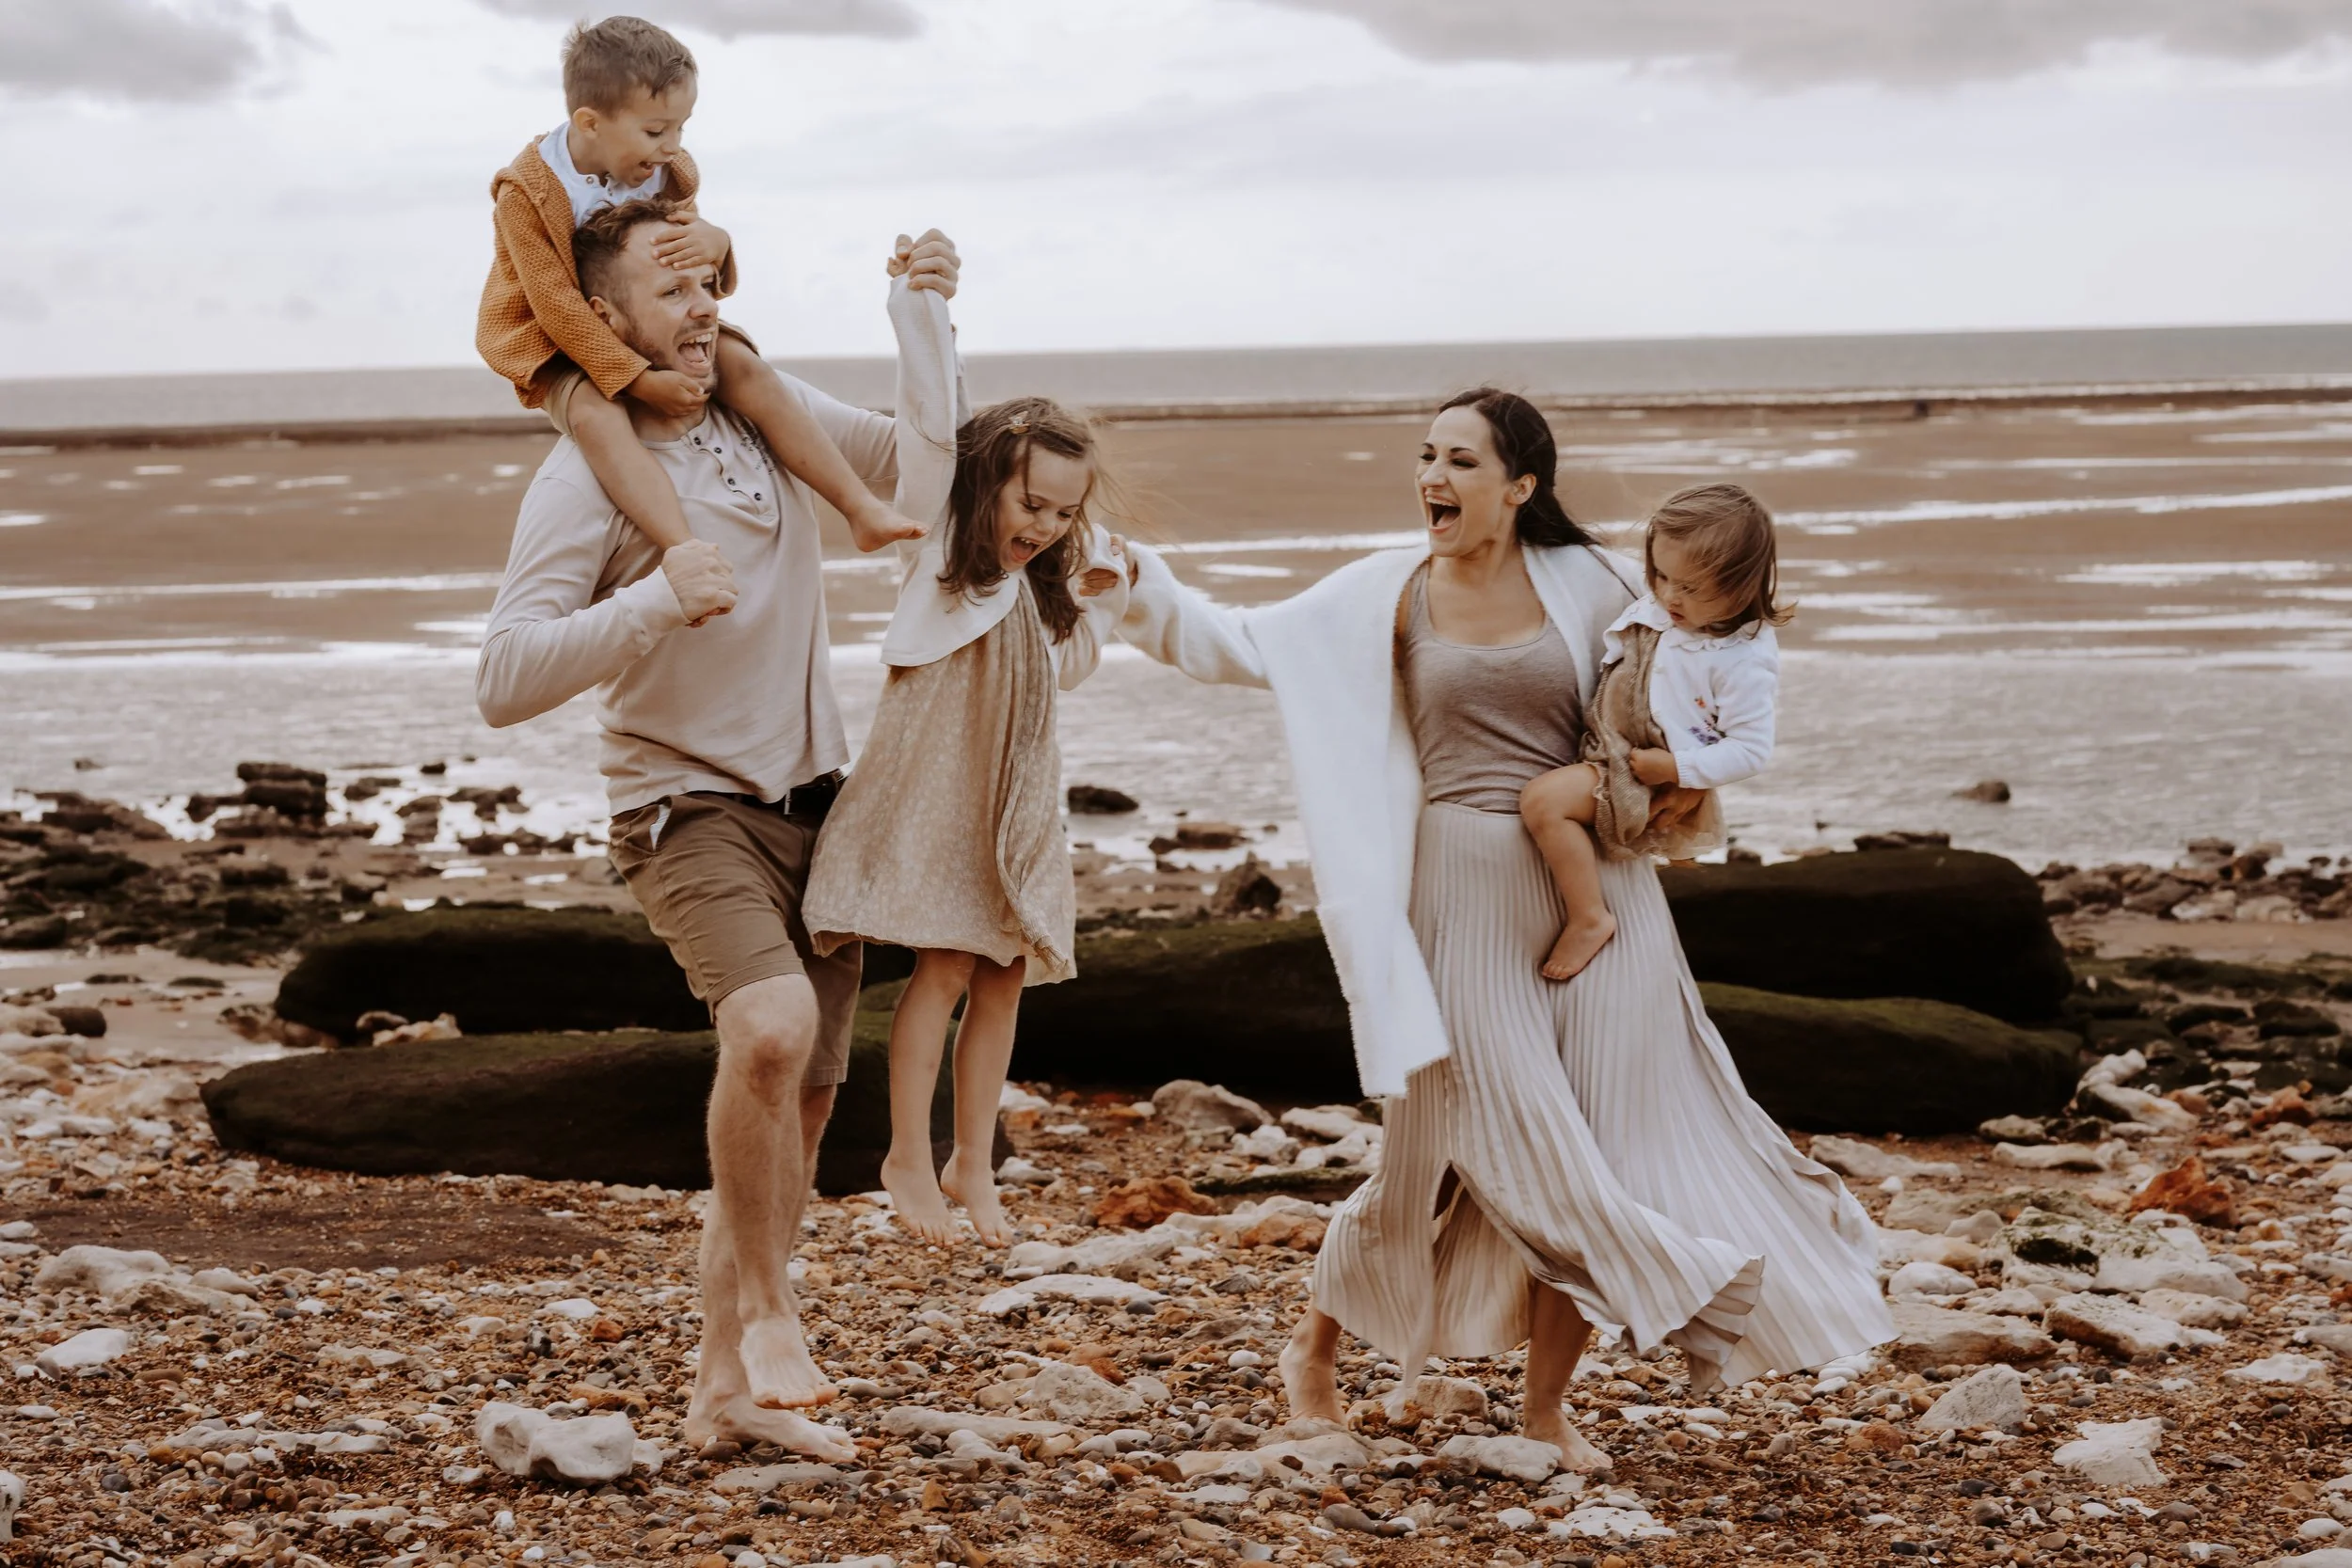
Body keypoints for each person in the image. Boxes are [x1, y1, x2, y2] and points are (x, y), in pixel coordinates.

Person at [1116, 388, 1890, 1470]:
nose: (1433, 475)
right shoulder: (1386, 592)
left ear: (1519, 485)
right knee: (1432, 1156)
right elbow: (1239, 642)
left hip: (1605, 901)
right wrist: (1127, 580)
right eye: (1426, 455)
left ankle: (1542, 1408)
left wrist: (1685, 787)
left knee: (1608, 1141)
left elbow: (1699, 682)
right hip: (1461, 890)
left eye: (1461, 460)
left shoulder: (1596, 581)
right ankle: (1316, 1350)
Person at [475, 198, 961, 1462]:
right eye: (672, 288)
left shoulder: (761, 406)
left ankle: (720, 1390)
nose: (703, 309)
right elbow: (506, 674)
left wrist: (923, 321)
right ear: (603, 316)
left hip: (819, 801)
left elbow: (923, 469)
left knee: (789, 1112)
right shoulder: (586, 470)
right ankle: (768, 1309)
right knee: (770, 1028)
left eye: (713, 285)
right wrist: (646, 603)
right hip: (682, 803)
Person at [801, 346, 1133, 1247]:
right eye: (1032, 504)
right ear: (984, 483)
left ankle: (972, 1161)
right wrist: (924, 303)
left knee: (1007, 972)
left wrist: (1101, 598)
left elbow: (1063, 672)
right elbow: (927, 415)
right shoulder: (943, 559)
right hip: (944, 793)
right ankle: (909, 1152)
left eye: (1065, 512)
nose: (1047, 525)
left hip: (1015, 801)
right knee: (943, 967)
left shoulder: (1033, 590)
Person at [476, 13, 923, 600]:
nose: (673, 147)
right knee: (595, 416)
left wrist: (720, 242)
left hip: (647, 315)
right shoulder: (527, 191)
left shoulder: (667, 172)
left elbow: (689, 250)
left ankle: (859, 506)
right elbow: (556, 304)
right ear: (590, 122)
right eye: (658, 131)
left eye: (682, 128)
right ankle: (684, 550)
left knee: (748, 369)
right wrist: (637, 382)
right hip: (552, 334)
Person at [1518, 482, 1788, 981]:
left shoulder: (1743, 658)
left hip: (1645, 773)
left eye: (1690, 587)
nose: (1667, 594)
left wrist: (1680, 770)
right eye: (1660, 575)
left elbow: (1751, 750)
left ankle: (1589, 916)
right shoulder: (1665, 609)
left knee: (1543, 803)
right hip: (1614, 750)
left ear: (1742, 586)